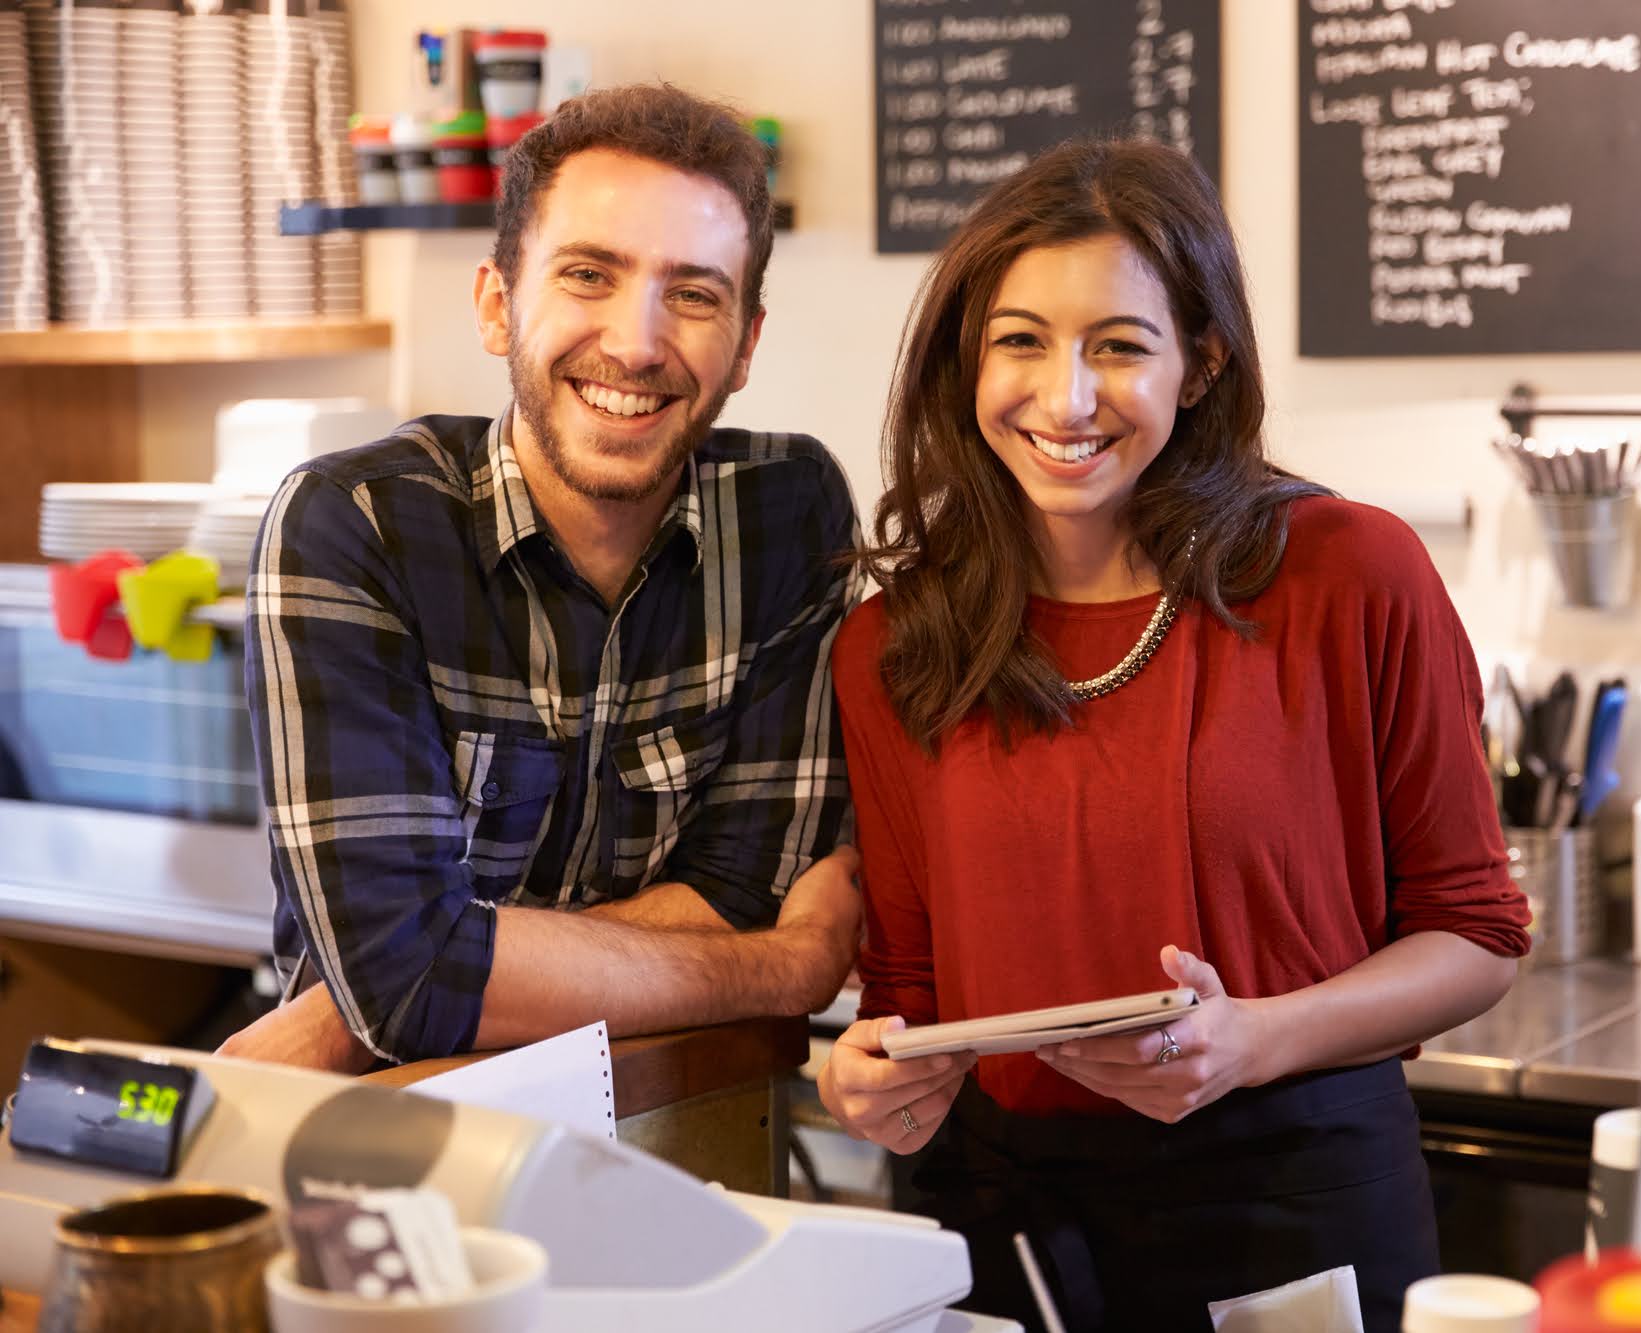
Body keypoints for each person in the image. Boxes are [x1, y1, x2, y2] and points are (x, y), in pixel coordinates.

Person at [817, 138, 1531, 1332]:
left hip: (1295, 1202)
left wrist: (1251, 1037)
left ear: (1199, 365)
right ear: (966, 360)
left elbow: (1477, 935)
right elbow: (907, 992)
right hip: (1001, 1229)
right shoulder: (896, 642)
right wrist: (872, 1077)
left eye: (1119, 346)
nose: (1066, 396)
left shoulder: (1350, 576)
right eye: (1021, 341)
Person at [218, 82, 863, 1072]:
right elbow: (408, 985)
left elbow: (744, 886)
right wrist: (786, 969)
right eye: (589, 274)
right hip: (398, 1146)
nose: (638, 343)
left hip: (689, 1117)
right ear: (496, 303)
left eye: (693, 293)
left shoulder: (787, 512)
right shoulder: (355, 528)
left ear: (745, 347)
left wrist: (396, 991)